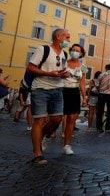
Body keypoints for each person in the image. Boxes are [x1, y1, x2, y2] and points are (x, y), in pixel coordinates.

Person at [26, 28, 70, 165]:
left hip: (57, 89)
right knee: (39, 120)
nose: (68, 40)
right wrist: (49, 74)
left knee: (57, 119)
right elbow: (30, 68)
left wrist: (64, 74)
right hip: (40, 89)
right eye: (67, 37)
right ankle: (37, 153)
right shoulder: (43, 49)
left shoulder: (64, 54)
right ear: (58, 37)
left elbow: (62, 70)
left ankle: (40, 137)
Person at [62, 43, 87, 155]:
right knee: (56, 118)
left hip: (74, 92)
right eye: (73, 49)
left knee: (72, 119)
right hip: (61, 90)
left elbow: (82, 83)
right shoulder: (63, 63)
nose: (75, 52)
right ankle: (47, 136)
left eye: (78, 50)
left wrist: (84, 97)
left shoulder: (83, 67)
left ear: (81, 54)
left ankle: (67, 145)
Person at [96, 64, 110, 133]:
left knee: (100, 111)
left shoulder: (101, 75)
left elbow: (97, 84)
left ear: (106, 68)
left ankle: (99, 127)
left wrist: (100, 89)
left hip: (102, 94)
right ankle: (108, 127)